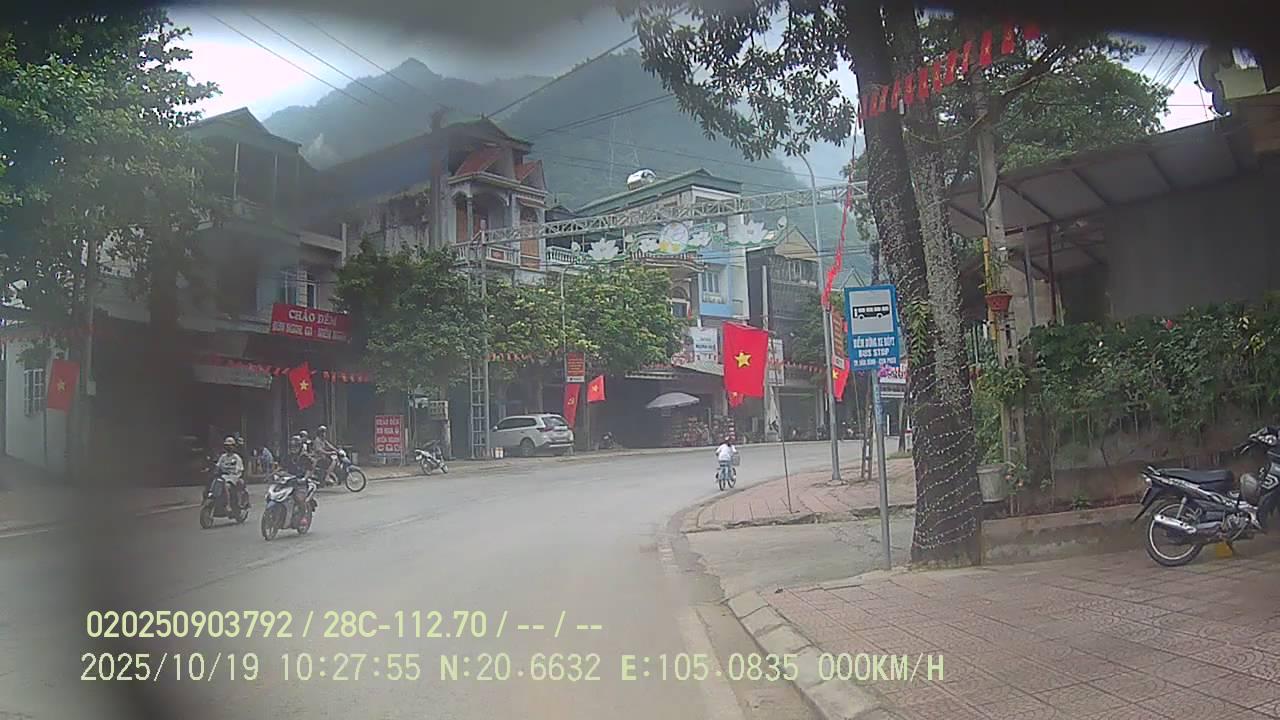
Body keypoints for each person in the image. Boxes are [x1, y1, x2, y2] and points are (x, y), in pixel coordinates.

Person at [215, 436, 247, 510]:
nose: (228, 447)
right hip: (223, 476)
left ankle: (228, 504)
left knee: (226, 486)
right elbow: (218, 466)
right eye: (227, 445)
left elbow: (239, 470)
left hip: (233, 477)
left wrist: (234, 474)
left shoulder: (236, 457)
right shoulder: (223, 457)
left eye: (230, 446)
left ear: (233, 447)